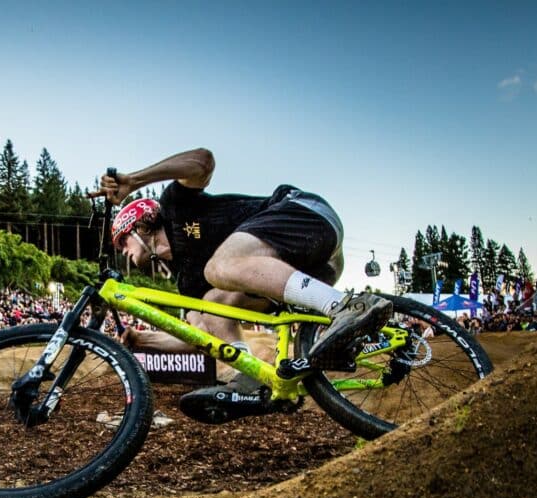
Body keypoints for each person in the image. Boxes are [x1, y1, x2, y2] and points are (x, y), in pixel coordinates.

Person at [92, 148, 392, 423]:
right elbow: (202, 337)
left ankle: (347, 305)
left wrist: (135, 179)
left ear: (140, 225)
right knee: (210, 306)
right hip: (315, 270)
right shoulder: (187, 278)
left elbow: (202, 161)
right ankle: (248, 376)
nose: (123, 252)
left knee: (220, 267)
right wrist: (145, 340)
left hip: (305, 216)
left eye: (123, 242)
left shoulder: (175, 207)